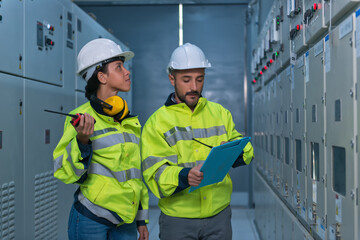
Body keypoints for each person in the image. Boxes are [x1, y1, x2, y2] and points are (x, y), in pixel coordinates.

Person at [140, 43, 254, 240]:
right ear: (171, 78)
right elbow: (154, 172)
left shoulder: (220, 113)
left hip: (219, 214)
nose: (194, 87)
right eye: (186, 80)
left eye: (199, 79)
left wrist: (230, 152)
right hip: (178, 219)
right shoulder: (156, 123)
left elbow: (246, 150)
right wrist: (184, 176)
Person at [53, 38, 149, 240]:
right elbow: (66, 173)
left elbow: (135, 176)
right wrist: (82, 141)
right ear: (102, 77)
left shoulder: (129, 121)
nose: (127, 72)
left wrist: (141, 219)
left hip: (126, 220)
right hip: (92, 217)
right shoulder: (80, 119)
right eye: (119, 67)